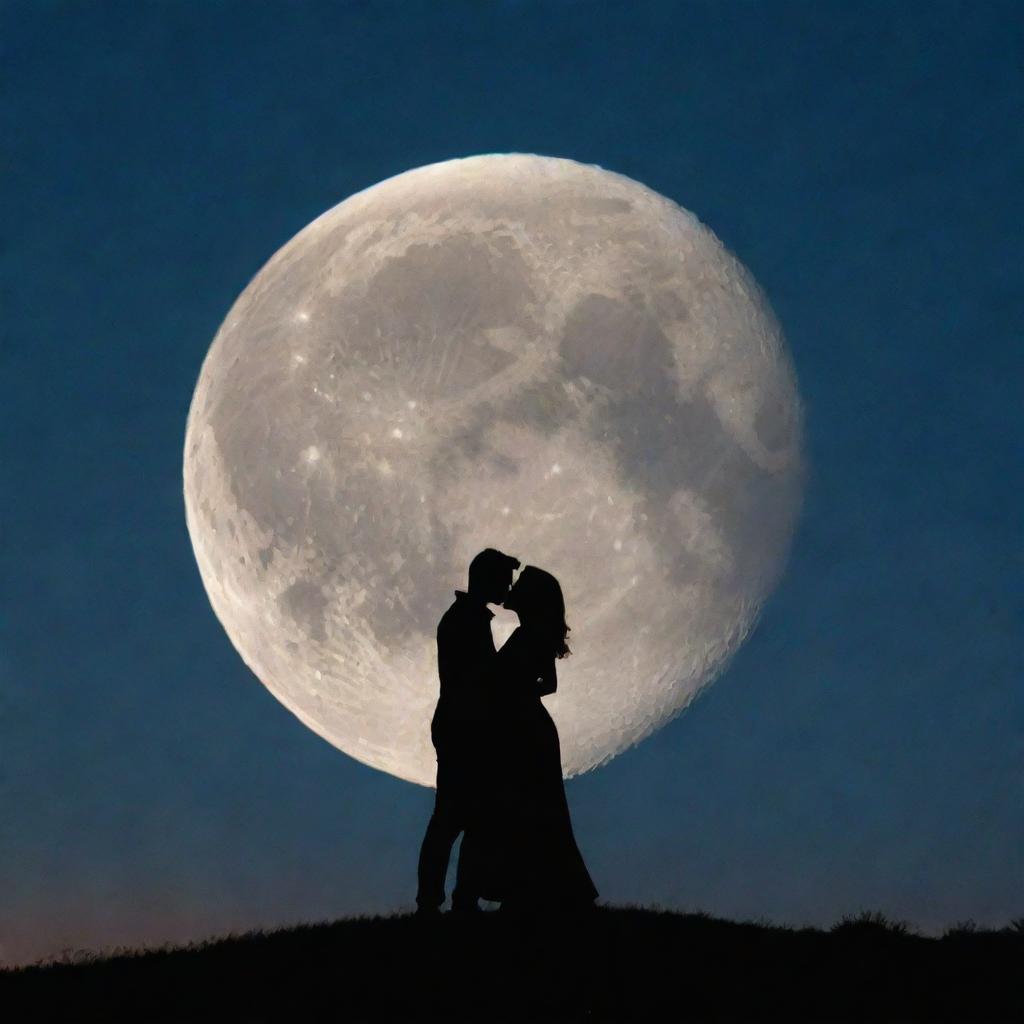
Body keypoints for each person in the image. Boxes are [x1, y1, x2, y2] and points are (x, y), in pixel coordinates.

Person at [476, 565, 599, 911]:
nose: (511, 588)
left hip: (524, 728)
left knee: (526, 804)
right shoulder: (535, 633)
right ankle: (542, 889)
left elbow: (520, 681)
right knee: (536, 805)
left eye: (520, 585)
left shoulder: (528, 635)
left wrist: (512, 691)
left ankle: (529, 890)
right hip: (530, 724)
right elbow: (549, 684)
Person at [415, 547, 521, 914]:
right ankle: (434, 900)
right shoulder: (465, 620)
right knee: (451, 818)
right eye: (503, 580)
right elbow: (477, 678)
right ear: (487, 580)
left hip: (467, 727)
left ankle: (461, 897)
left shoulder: (470, 617)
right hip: (464, 729)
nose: (508, 587)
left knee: (472, 817)